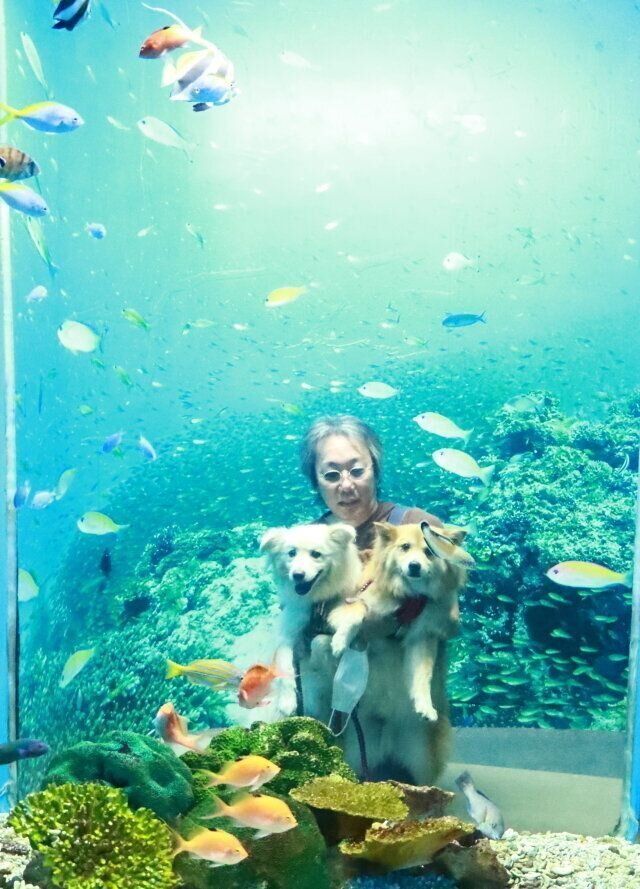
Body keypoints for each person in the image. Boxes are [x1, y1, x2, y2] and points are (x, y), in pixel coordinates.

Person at [300, 414, 444, 551]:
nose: (346, 485)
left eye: (357, 471)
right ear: (315, 481)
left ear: (376, 471)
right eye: (331, 475)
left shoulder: (419, 525)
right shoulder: (302, 543)